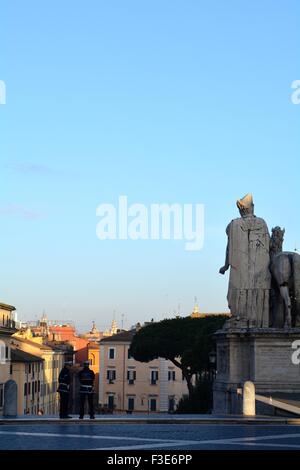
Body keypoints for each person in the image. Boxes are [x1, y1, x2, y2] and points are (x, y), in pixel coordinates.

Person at [219, 193, 271, 328]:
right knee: (259, 292)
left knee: (237, 292)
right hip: (260, 272)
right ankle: (259, 321)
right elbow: (270, 248)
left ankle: (240, 317)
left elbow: (229, 248)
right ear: (252, 207)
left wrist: (225, 266)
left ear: (241, 209)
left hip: (240, 270)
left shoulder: (233, 225)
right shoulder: (262, 223)